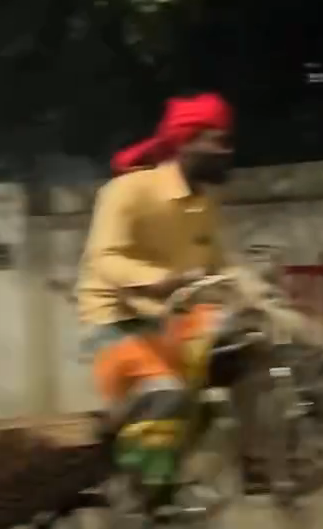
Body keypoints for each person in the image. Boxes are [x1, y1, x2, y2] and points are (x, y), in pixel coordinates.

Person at [76, 94, 235, 498]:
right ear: (186, 143)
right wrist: (160, 280)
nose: (226, 151)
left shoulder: (204, 205)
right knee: (167, 392)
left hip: (169, 321)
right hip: (113, 321)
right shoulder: (127, 191)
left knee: (245, 349)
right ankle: (142, 486)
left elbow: (219, 265)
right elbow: (105, 258)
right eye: (217, 141)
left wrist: (254, 288)